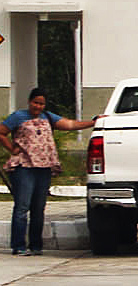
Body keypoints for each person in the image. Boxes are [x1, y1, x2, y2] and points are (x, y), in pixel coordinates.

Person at [0, 88, 96, 256]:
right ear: (29, 102)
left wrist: (94, 122)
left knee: (39, 208)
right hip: (24, 168)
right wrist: (11, 149)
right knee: (22, 207)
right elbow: (1, 133)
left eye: (41, 103)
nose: (38, 106)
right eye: (36, 102)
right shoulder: (18, 117)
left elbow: (70, 124)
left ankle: (36, 246)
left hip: (43, 168)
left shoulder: (48, 117)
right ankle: (19, 245)